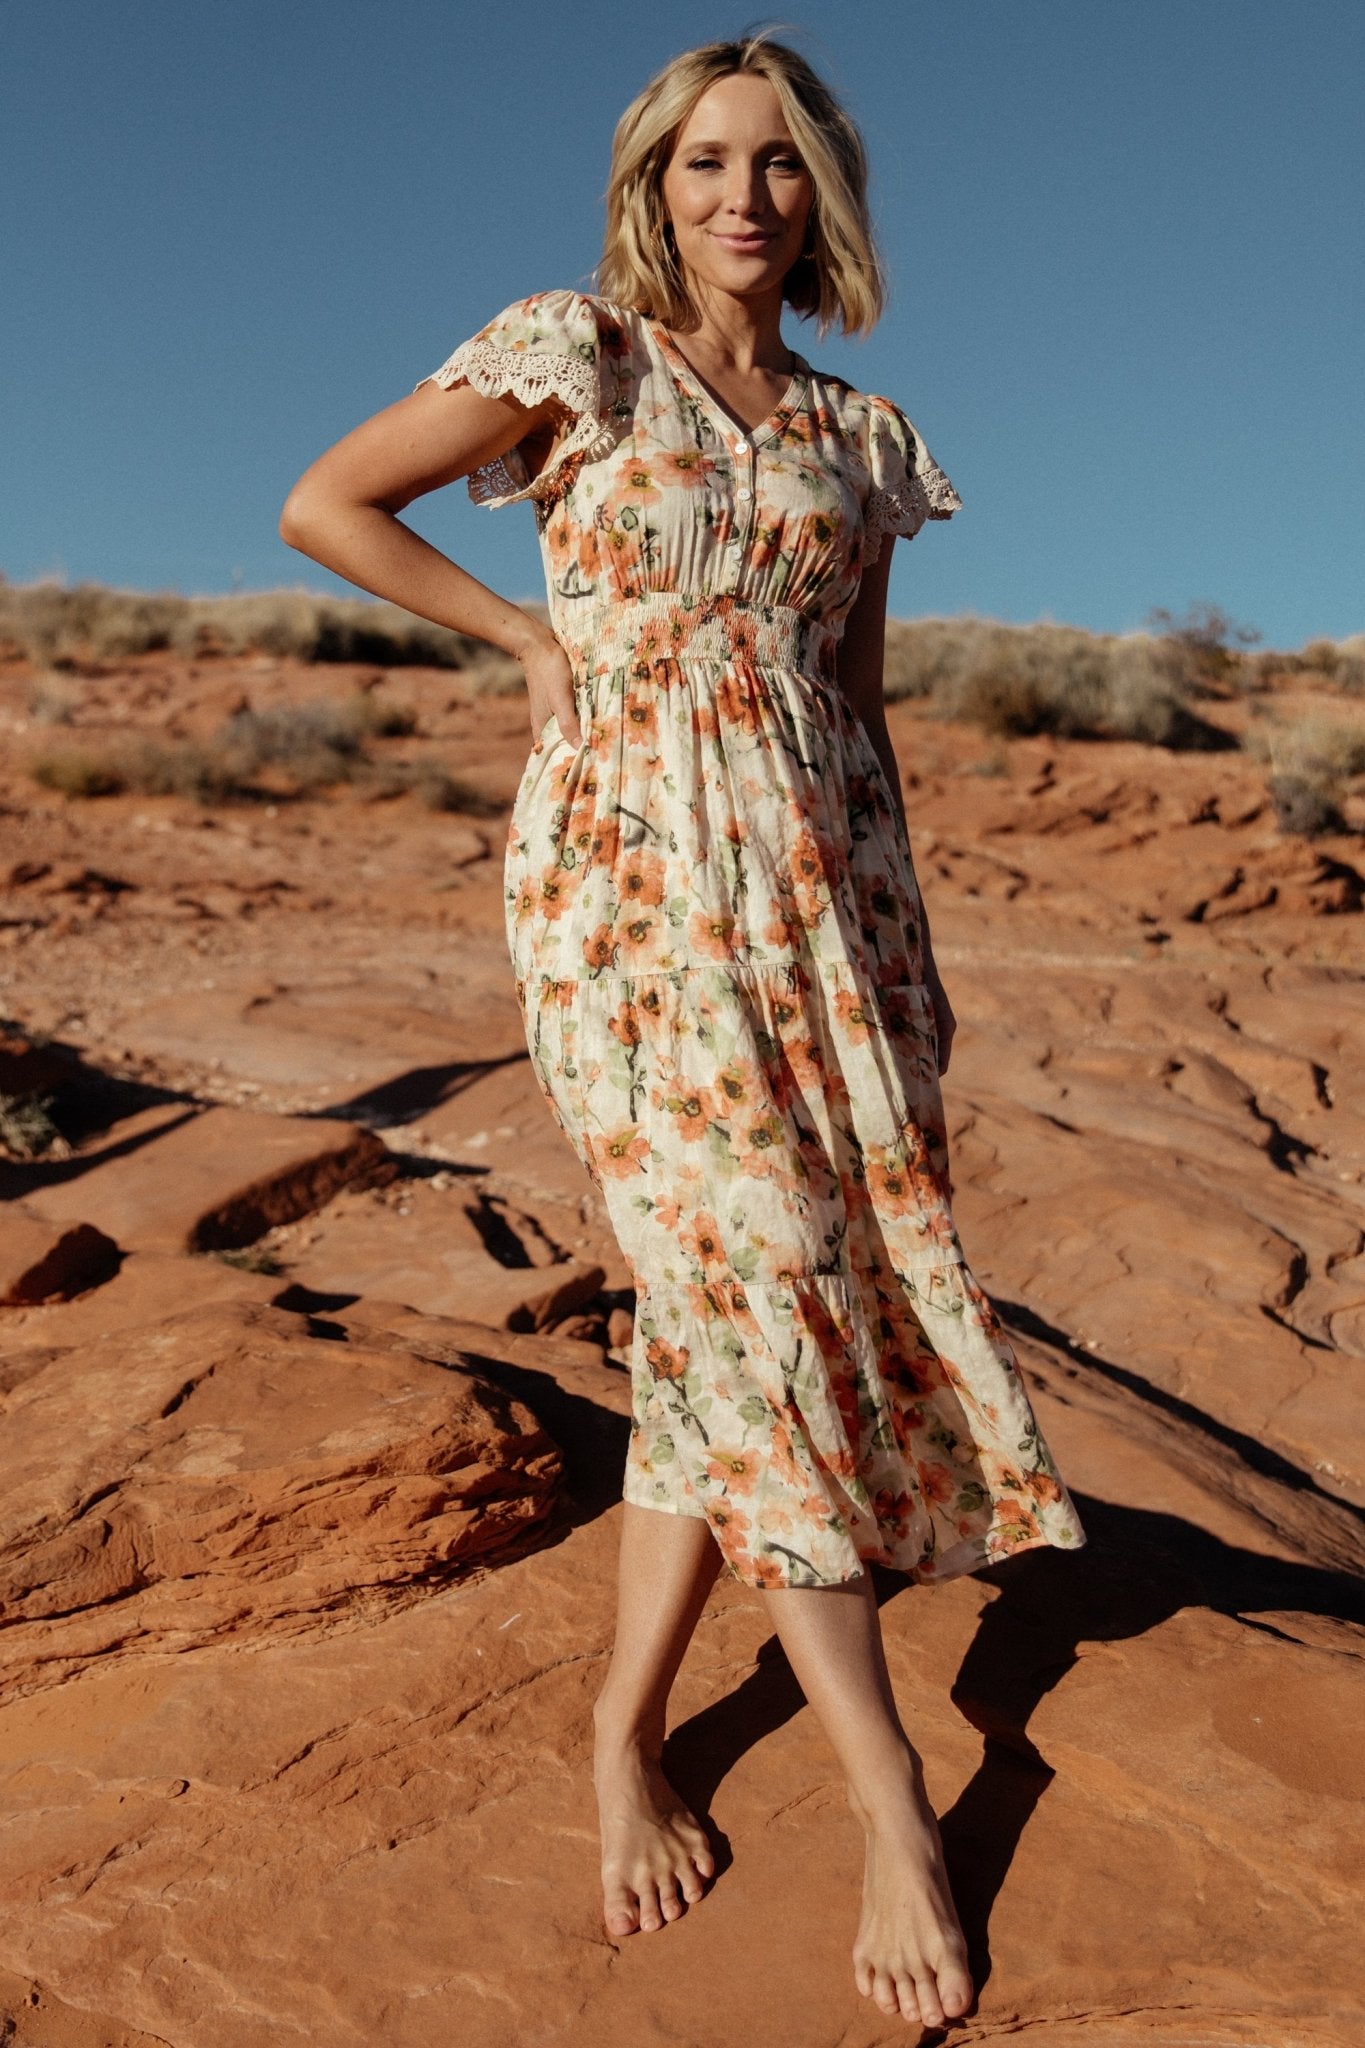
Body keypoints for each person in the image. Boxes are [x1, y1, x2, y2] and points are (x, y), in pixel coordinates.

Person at [280, 32, 1087, 2031]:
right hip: (628, 897)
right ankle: (900, 1796)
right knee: (761, 1293)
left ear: (823, 198)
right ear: (654, 181)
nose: (745, 195)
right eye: (709, 159)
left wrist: (907, 959)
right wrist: (530, 640)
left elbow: (859, 709)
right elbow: (324, 504)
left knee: (723, 1323)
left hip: (825, 904)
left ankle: (620, 1728)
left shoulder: (857, 432)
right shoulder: (578, 355)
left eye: (783, 165)